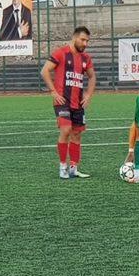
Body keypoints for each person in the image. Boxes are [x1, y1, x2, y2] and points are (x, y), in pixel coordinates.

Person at [40, 26, 96, 179]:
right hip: (62, 101)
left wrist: (89, 95)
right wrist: (53, 91)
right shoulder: (61, 53)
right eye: (83, 40)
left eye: (87, 41)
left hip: (78, 103)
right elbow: (44, 71)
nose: (85, 43)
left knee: (77, 134)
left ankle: (73, 168)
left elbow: (92, 77)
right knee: (66, 130)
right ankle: (62, 167)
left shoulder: (86, 58)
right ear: (74, 37)